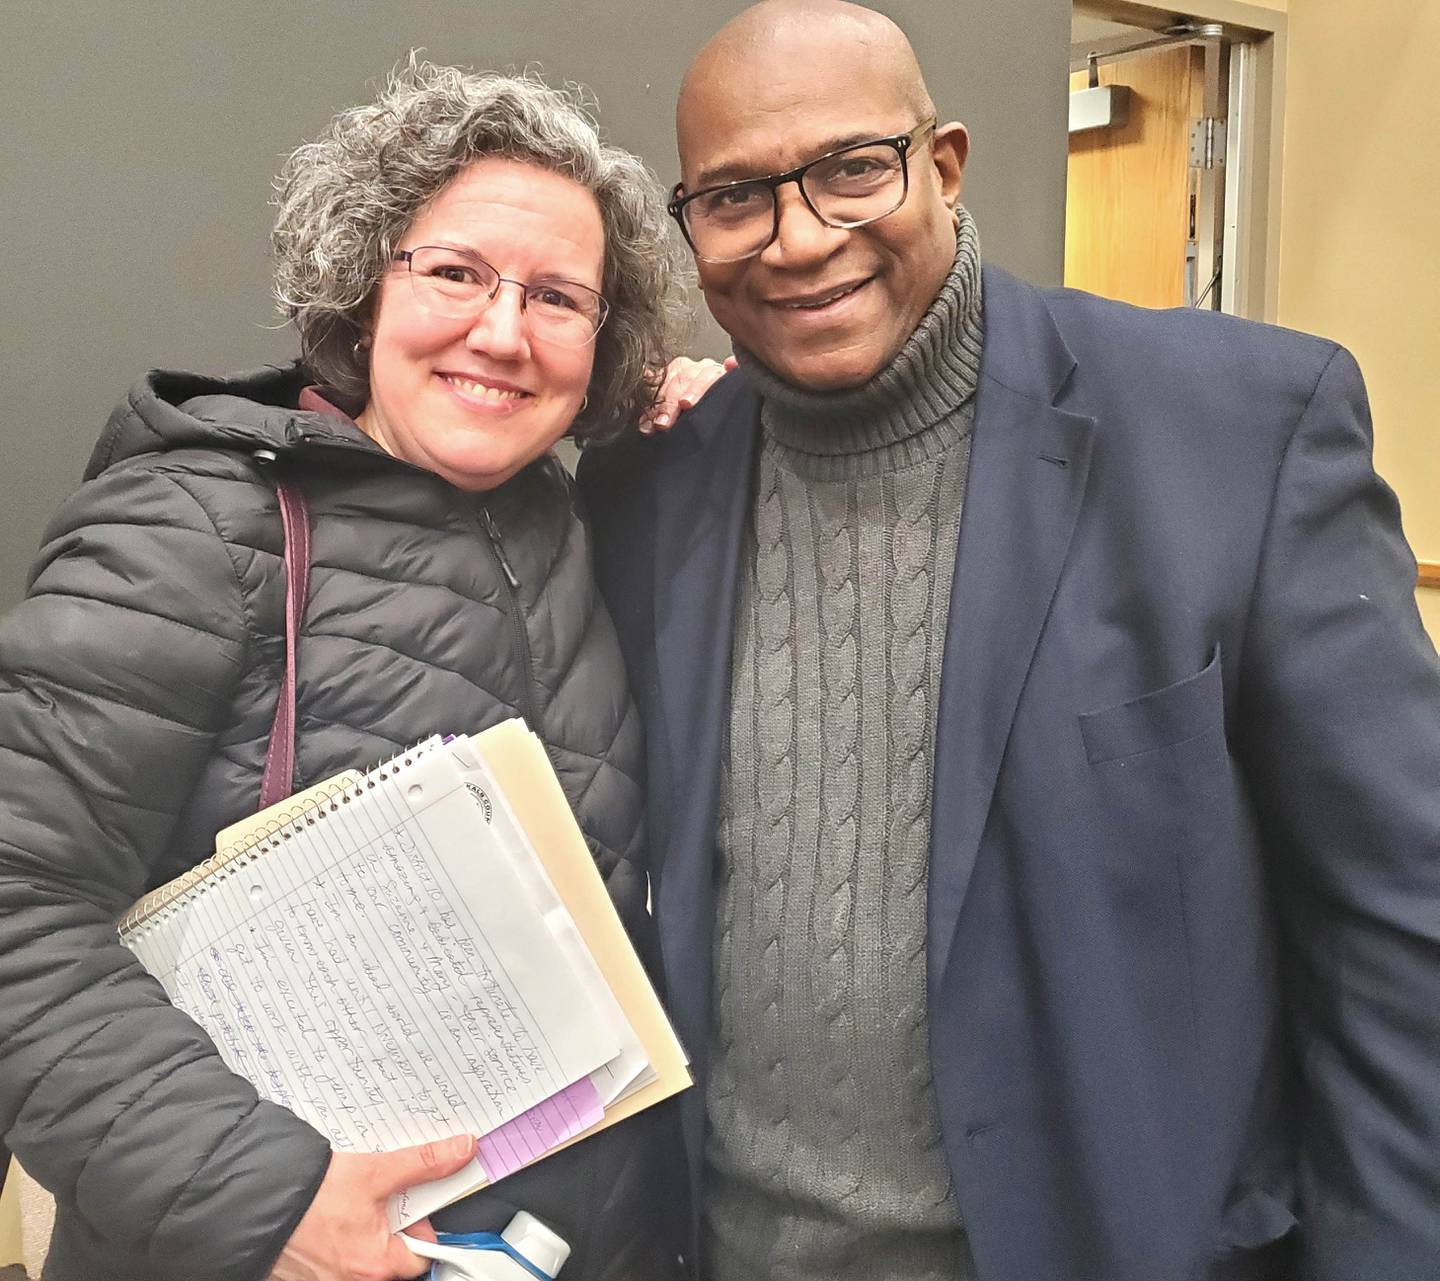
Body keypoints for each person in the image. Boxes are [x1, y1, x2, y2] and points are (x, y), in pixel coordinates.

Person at [575, 3, 1440, 1280]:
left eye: (853, 169)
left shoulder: (1242, 430)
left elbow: (1398, 925)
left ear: (947, 162)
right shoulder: (644, 495)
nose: (799, 239)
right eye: (735, 198)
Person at [0, 58, 724, 1281]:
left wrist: (708, 428)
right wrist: (263, 1201)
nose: (503, 331)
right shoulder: (186, 534)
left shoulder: (573, 523)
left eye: (559, 298)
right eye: (453, 273)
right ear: (361, 283)